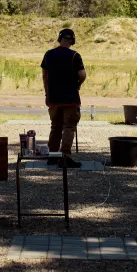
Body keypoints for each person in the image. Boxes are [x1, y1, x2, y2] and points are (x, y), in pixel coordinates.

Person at [41, 27, 86, 168]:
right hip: (70, 98)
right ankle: (65, 157)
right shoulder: (75, 55)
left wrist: (47, 93)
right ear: (72, 41)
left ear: (60, 39)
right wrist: (78, 85)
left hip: (53, 98)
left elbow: (44, 76)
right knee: (69, 127)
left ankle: (52, 156)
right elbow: (82, 75)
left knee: (55, 127)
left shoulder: (48, 54)